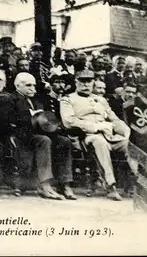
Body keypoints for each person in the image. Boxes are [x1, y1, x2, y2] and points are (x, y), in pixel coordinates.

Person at [60, 70, 130, 201]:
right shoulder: (67, 99)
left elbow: (114, 119)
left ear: (93, 82)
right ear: (76, 82)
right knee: (99, 142)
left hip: (109, 135)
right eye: (82, 81)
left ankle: (137, 184)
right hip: (85, 136)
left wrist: (126, 131)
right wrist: (95, 127)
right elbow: (69, 121)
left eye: (89, 81)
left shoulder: (101, 100)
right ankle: (111, 186)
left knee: (129, 144)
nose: (86, 84)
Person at [10, 72, 73, 200]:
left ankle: (65, 183)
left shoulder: (38, 100)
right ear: (17, 85)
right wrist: (31, 116)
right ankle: (44, 185)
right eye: (28, 85)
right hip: (23, 136)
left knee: (64, 141)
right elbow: (10, 119)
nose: (33, 88)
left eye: (34, 85)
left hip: (41, 133)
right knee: (44, 140)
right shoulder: (12, 99)